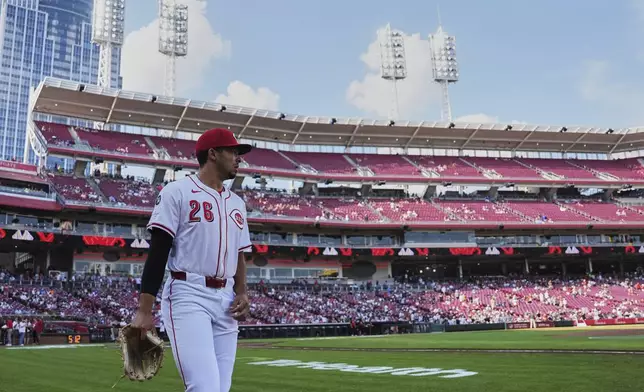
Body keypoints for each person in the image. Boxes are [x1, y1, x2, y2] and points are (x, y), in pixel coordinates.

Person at [131, 128, 253, 392]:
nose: (238, 158)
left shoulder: (237, 204)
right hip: (189, 293)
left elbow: (239, 252)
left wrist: (242, 291)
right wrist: (144, 310)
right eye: (233, 151)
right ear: (212, 154)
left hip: (226, 300)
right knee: (204, 387)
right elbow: (159, 250)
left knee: (221, 388)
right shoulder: (177, 191)